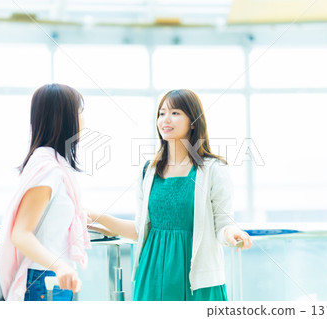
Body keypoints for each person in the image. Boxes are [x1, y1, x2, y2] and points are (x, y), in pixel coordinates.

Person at [88, 89, 252, 301]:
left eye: (175, 113)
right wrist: (94, 217)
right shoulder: (149, 171)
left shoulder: (213, 169)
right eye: (161, 113)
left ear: (193, 121)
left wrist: (231, 233)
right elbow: (141, 229)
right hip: (151, 274)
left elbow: (223, 223)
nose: (165, 119)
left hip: (196, 278)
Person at [0, 83, 91, 301]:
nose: (83, 119)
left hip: (51, 277)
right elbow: (21, 233)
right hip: (44, 280)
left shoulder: (54, 165)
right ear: (65, 117)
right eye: (80, 111)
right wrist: (61, 268)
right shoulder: (48, 168)